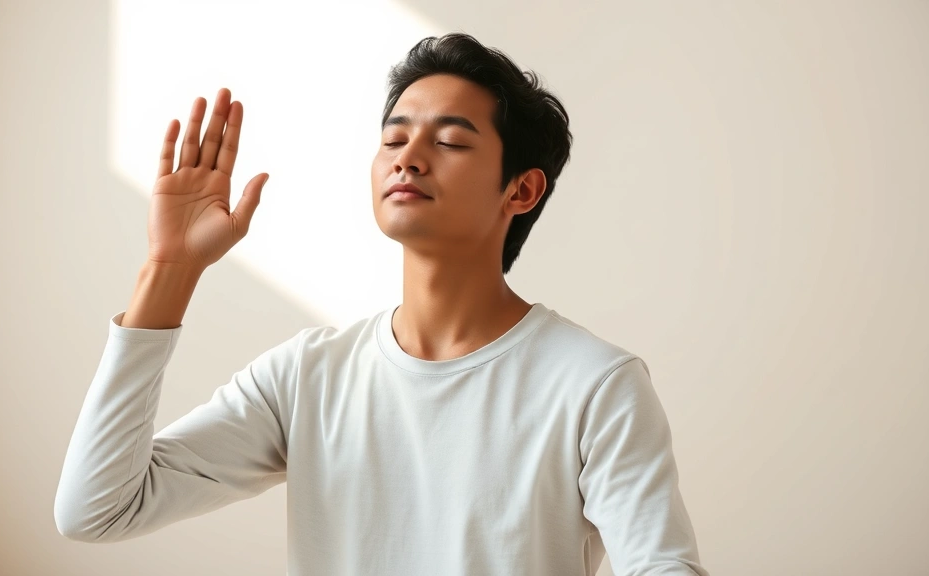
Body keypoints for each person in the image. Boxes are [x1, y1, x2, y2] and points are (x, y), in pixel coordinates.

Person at [54, 33, 709, 576]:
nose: (411, 158)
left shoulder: (594, 384)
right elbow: (96, 509)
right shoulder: (307, 377)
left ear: (522, 190)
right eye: (394, 140)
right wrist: (171, 270)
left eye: (451, 142)